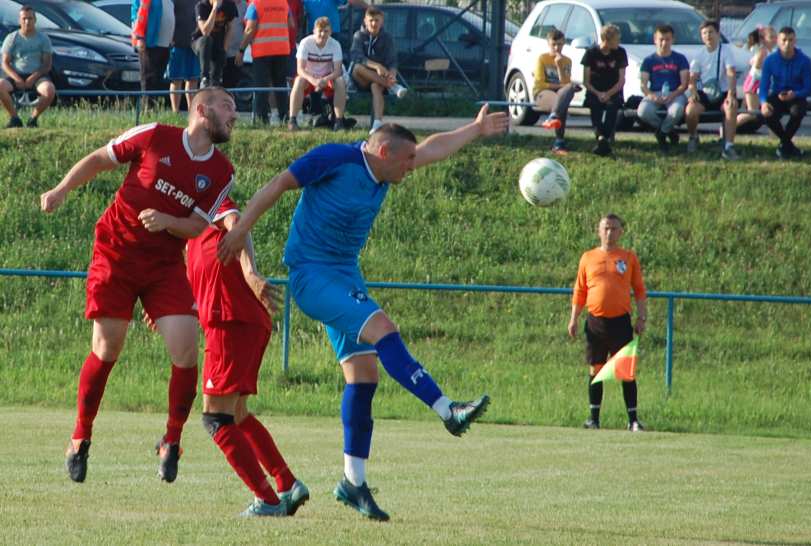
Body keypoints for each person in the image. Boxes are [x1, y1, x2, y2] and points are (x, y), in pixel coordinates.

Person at [216, 105, 509, 521]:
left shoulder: (387, 166)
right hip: (312, 276)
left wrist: (476, 129)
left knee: (364, 375)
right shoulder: (335, 158)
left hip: (344, 276)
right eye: (407, 160)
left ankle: (353, 482)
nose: (413, 166)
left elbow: (433, 148)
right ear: (385, 151)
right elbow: (279, 184)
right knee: (384, 328)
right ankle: (448, 410)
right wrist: (241, 229)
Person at [40, 87, 237, 484]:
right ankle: (80, 437)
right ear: (202, 109)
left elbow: (199, 225)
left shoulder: (222, 172)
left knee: (185, 349)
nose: (235, 115)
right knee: (107, 346)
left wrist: (167, 221)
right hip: (115, 252)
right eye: (228, 107)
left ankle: (172, 441)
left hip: (163, 265)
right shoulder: (155, 136)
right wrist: (62, 189)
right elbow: (101, 158)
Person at [182, 198, 309, 517]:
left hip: (232, 321)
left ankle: (266, 500)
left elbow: (237, 224)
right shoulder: (190, 238)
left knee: (215, 417)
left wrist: (251, 274)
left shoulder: (208, 201)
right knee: (236, 413)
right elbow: (200, 289)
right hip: (234, 322)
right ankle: (286, 483)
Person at [567, 214, 647, 432]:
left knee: (626, 372)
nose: (610, 233)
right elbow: (580, 290)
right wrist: (573, 318)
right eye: (606, 228)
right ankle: (594, 419)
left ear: (621, 232)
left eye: (614, 228)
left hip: (621, 322)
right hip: (596, 322)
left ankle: (633, 420)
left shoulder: (628, 258)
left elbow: (639, 290)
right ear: (599, 231)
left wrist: (641, 317)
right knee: (596, 369)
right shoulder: (588, 257)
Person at [684, 20, 740, 160]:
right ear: (701, 36)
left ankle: (728, 146)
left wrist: (731, 94)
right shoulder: (699, 55)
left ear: (718, 34)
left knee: (731, 107)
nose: (708, 36)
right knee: (690, 110)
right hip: (704, 92)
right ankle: (693, 137)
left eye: (711, 32)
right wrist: (694, 92)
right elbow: (693, 79)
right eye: (704, 33)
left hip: (723, 93)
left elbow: (731, 73)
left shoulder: (726, 51)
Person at [235, 0, 294, 124]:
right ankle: (284, 117)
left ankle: (262, 120)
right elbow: (291, 24)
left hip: (262, 51)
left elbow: (250, 29)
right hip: (282, 49)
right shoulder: (283, 3)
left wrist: (241, 50)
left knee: (261, 86)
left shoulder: (255, 4)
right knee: (280, 85)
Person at [349, 6, 407, 133]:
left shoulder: (387, 38)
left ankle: (377, 124)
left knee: (376, 86)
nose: (374, 23)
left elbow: (392, 62)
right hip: (360, 79)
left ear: (382, 21)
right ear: (365, 21)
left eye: (377, 20)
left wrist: (392, 74)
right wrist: (376, 66)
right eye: (371, 20)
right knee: (357, 67)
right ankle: (393, 87)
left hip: (379, 80)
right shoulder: (358, 35)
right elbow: (356, 56)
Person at [759, 27, 811, 160]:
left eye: (790, 40)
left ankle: (784, 145)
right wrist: (764, 102)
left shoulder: (804, 60)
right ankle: (787, 145)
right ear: (778, 41)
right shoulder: (770, 60)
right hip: (777, 94)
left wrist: (795, 94)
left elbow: (808, 88)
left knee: (798, 112)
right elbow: (763, 86)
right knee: (767, 113)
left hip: (796, 96)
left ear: (795, 41)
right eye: (784, 40)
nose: (787, 44)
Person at [288, 16, 347, 131]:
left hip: (327, 77)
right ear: (314, 31)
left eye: (326, 31)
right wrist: (313, 80)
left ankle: (339, 121)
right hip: (309, 77)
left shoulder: (335, 45)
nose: (323, 34)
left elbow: (337, 71)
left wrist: (325, 80)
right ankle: (292, 120)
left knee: (340, 81)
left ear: (330, 32)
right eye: (320, 31)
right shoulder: (305, 43)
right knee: (298, 80)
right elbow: (300, 69)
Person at [0, 5, 54, 128]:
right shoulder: (12, 38)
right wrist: (17, 78)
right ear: (19, 20)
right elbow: (5, 63)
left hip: (38, 75)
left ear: (35, 20)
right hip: (15, 74)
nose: (27, 21)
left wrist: (34, 77)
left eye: (30, 18)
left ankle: (33, 119)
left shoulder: (43, 39)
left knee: (49, 90)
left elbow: (47, 64)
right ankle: (14, 118)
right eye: (24, 18)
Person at [637, 25, 689, 153]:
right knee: (643, 112)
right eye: (661, 39)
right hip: (654, 93)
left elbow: (684, 84)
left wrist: (673, 95)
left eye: (667, 39)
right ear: (655, 39)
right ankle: (669, 131)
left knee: (676, 111)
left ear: (673, 40)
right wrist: (652, 96)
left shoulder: (680, 59)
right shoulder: (648, 60)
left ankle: (661, 134)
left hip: (675, 93)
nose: (664, 43)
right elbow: (643, 85)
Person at [580, 23, 627, 157]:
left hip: (614, 91)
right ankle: (603, 139)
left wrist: (608, 94)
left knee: (613, 107)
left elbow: (622, 80)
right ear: (606, 40)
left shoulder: (620, 53)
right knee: (595, 107)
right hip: (595, 90)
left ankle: (601, 139)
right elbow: (586, 81)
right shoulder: (591, 53)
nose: (619, 42)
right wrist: (598, 93)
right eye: (616, 39)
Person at [535, 29, 582, 155]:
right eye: (553, 45)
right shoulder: (542, 58)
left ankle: (553, 117)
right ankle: (559, 142)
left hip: (561, 93)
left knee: (569, 89)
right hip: (543, 93)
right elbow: (540, 83)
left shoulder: (567, 60)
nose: (557, 48)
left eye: (560, 44)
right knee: (561, 101)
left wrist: (559, 65)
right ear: (548, 44)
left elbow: (566, 83)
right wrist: (560, 86)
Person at [132, 0, 176, 109]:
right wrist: (140, 38)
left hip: (165, 45)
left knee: (158, 79)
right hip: (150, 43)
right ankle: (147, 110)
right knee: (148, 79)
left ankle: (154, 109)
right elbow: (137, 15)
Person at [737, 25, 776, 132]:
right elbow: (758, 67)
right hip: (754, 84)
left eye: (775, 37)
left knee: (766, 110)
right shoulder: (762, 51)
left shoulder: (770, 51)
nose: (774, 40)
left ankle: (774, 134)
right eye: (771, 37)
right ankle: (727, 127)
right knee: (752, 113)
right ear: (763, 39)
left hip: (759, 84)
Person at [193, 0, 238, 87]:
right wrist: (214, 9)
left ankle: (215, 82)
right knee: (207, 40)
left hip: (217, 43)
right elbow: (205, 32)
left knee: (221, 53)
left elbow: (230, 28)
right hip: (200, 42)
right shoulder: (202, 6)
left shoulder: (229, 5)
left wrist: (224, 49)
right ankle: (204, 78)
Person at [166, 0, 200, 113]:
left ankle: (192, 112)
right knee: (176, 79)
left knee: (193, 79)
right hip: (177, 43)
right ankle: (175, 112)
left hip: (195, 44)